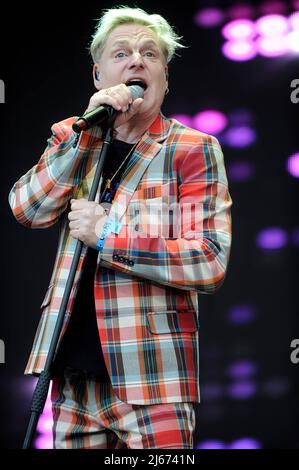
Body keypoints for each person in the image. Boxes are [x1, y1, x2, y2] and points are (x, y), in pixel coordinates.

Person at [8, 6, 232, 449]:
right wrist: (83, 136)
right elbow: (26, 208)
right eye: (122, 53)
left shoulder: (192, 149)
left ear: (164, 77)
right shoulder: (72, 137)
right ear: (98, 75)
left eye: (150, 54)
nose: (136, 61)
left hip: (154, 378)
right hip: (71, 379)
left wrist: (110, 236)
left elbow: (208, 260)